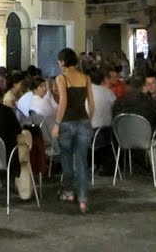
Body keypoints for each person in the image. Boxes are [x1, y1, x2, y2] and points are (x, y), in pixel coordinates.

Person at [52, 48, 94, 214]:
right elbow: (91, 102)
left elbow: (63, 102)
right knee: (82, 162)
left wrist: (57, 123)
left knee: (67, 159)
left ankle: (69, 191)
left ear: (62, 62)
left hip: (67, 123)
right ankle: (83, 200)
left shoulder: (62, 78)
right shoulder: (85, 78)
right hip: (83, 121)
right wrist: (90, 120)